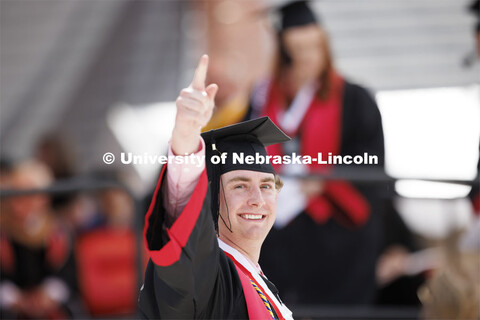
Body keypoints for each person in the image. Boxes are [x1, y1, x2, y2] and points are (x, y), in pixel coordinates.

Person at [244, 1, 406, 305]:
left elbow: (371, 162)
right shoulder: (263, 99)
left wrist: (327, 176)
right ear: (283, 52)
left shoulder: (354, 100)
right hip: (277, 239)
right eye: (298, 49)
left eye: (314, 47)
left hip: (336, 242)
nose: (308, 57)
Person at [138, 55, 293, 319]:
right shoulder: (207, 277)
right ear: (211, 198)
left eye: (266, 186)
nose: (257, 199)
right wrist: (186, 138)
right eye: (240, 186)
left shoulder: (260, 282)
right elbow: (184, 239)